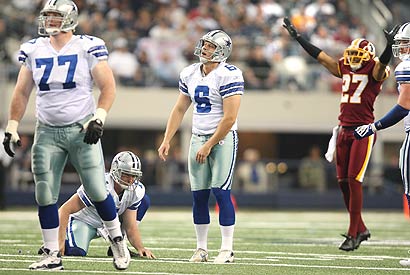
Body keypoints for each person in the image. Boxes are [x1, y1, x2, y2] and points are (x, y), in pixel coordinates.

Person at [1, 0, 130, 270]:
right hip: (46, 130)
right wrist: (12, 124)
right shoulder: (33, 49)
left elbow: (108, 86)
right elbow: (22, 91)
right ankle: (51, 254)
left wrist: (99, 117)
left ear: (69, 19)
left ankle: (117, 238)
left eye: (55, 16)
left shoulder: (87, 46)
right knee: (45, 192)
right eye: (47, 15)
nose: (49, 21)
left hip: (81, 128)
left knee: (97, 189)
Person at [283, 17, 399, 251]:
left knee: (355, 181)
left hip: (362, 131)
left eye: (359, 55)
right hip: (343, 130)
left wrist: (388, 47)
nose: (353, 58)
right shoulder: (344, 66)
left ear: (369, 57)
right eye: (352, 53)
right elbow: (321, 56)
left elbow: (381, 66)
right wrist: (298, 38)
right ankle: (362, 228)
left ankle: (353, 233)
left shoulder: (376, 69)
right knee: (343, 182)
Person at [157, 30, 244, 263]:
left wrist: (209, 145)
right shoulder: (189, 72)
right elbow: (179, 109)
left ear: (222, 51)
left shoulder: (230, 74)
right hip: (197, 137)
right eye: (204, 44)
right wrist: (167, 139)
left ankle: (226, 249)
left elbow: (229, 118)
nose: (204, 49)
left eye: (210, 46)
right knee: (199, 196)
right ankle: (201, 248)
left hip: (222, 139)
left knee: (221, 192)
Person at [353, 22, 410, 266]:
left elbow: (404, 106)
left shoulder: (406, 66)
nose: (402, 48)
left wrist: (373, 127)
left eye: (405, 43)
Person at [54, 151, 155, 259]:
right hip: (86, 222)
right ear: (116, 171)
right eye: (126, 174)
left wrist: (140, 248)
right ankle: (53, 245)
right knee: (76, 252)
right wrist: (59, 242)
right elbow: (64, 210)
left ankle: (117, 244)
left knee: (144, 201)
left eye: (134, 175)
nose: (131, 179)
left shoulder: (136, 190)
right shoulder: (99, 184)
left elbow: (130, 226)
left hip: (110, 225)